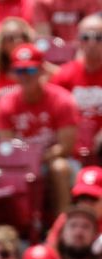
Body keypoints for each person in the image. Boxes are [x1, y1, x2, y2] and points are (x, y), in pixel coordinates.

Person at [0, 43, 80, 217]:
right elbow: (7, 147)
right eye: (20, 71)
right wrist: (28, 162)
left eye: (31, 71)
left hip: (53, 159)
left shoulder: (62, 99)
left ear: (42, 71)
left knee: (60, 168)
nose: (26, 76)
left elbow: (65, 147)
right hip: (20, 163)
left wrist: (38, 158)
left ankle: (61, 225)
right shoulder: (5, 103)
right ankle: (17, 227)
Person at [50, 14, 102, 162]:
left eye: (99, 37)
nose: (92, 43)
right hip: (72, 152)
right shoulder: (64, 74)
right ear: (78, 41)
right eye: (86, 37)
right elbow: (51, 112)